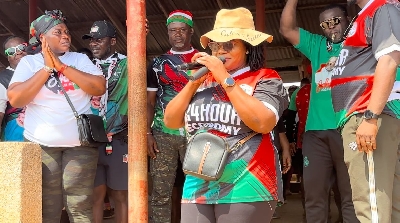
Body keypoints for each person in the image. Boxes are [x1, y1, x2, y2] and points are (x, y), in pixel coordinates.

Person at [164, 7, 287, 223]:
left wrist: (223, 77)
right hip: (198, 180)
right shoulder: (202, 80)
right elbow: (171, 120)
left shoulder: (265, 78)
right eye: (216, 45)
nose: (221, 51)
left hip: (247, 182)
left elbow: (263, 122)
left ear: (247, 47)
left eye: (229, 44)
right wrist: (194, 83)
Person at [7, 10, 106, 222]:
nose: (66, 36)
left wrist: (61, 67)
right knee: (47, 206)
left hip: (80, 145)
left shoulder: (79, 59)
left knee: (79, 204)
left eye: (67, 32)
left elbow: (98, 87)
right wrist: (46, 69)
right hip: (42, 145)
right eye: (58, 32)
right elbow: (16, 99)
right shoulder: (29, 64)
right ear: (42, 38)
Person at [280, 2, 359, 223]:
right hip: (315, 134)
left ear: (347, 20)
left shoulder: (358, 45)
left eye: (335, 21)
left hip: (347, 130)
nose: (330, 27)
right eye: (325, 24)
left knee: (350, 197)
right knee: (314, 197)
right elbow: (287, 29)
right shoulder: (316, 45)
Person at [330, 0, 400, 221]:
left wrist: (370, 117)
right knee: (387, 204)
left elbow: (389, 60)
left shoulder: (382, 8)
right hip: (369, 115)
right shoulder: (365, 15)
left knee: (371, 206)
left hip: (368, 114)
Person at [146, 10, 198, 223]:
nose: (177, 35)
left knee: (198, 191)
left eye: (182, 30)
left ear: (191, 32)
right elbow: (149, 102)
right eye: (172, 31)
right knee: (160, 192)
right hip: (162, 135)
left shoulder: (202, 61)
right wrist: (147, 132)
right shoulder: (158, 64)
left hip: (196, 134)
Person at [82, 20, 129, 223]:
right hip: (90, 139)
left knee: (119, 195)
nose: (94, 44)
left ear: (113, 41)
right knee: (95, 196)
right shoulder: (84, 65)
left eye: (99, 40)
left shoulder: (128, 63)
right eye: (91, 40)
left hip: (119, 137)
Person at [0, 36, 28, 141]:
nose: (18, 52)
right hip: (16, 135)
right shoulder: (3, 79)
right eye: (11, 51)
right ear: (8, 57)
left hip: (43, 132)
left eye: (22, 47)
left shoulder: (40, 72)